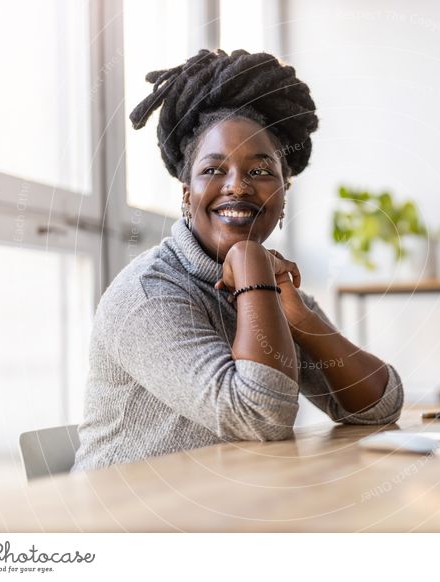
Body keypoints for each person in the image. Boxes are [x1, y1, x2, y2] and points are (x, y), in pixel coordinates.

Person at [72, 49, 404, 471]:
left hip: (219, 510)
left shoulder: (270, 285)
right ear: (187, 193)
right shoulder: (148, 295)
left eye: (261, 171)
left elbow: (380, 407)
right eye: (213, 170)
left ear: (284, 193)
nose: (238, 187)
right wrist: (248, 260)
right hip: (123, 521)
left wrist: (302, 321)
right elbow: (259, 417)